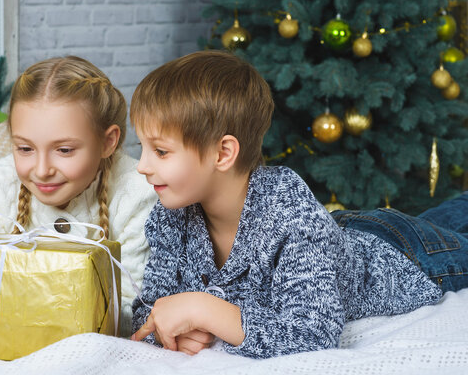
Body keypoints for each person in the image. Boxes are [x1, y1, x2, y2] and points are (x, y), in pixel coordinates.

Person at [129, 50, 468, 359]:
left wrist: (206, 310)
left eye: (160, 151)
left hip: (403, 251)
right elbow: (151, 310)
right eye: (143, 147)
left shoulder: (287, 212)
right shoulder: (170, 216)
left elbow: (314, 335)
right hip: (337, 234)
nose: (142, 165)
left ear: (222, 153)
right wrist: (169, 329)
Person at [0, 56, 157, 336]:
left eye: (64, 150)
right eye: (25, 149)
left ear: (108, 141)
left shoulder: (139, 193)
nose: (42, 170)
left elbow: (137, 309)